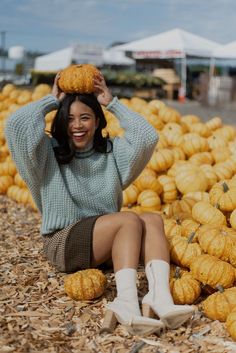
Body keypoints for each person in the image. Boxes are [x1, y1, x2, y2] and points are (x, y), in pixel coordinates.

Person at [5, 71, 195, 335]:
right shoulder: (46, 156)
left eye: (85, 117)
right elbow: (15, 126)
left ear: (97, 121)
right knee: (129, 218)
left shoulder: (111, 154)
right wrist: (50, 101)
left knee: (152, 219)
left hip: (107, 240)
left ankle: (159, 296)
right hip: (65, 241)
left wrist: (112, 102)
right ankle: (126, 301)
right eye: (70, 119)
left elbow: (146, 137)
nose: (77, 125)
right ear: (61, 121)